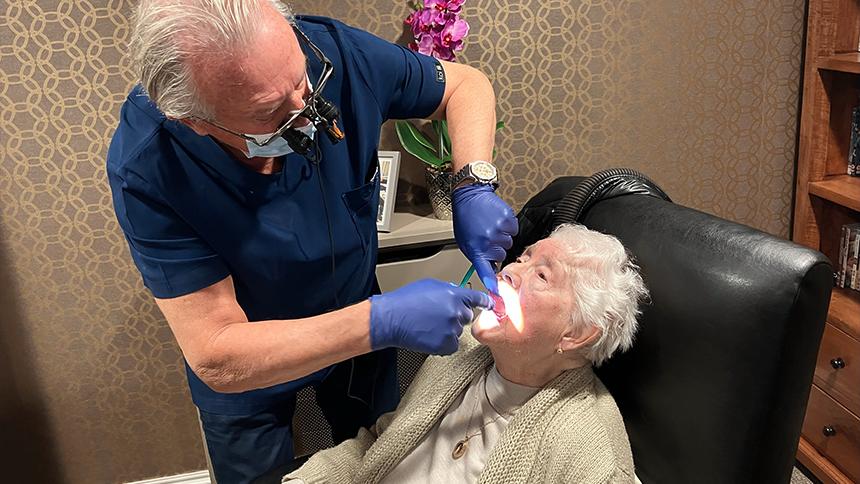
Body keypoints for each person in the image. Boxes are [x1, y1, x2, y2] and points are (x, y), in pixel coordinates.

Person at [105, 1, 518, 482]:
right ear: (193, 120)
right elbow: (216, 354)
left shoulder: (336, 54)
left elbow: (467, 85)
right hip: (252, 358)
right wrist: (379, 322)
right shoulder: (149, 166)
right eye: (270, 112)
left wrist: (472, 184)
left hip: (356, 322)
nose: (308, 114)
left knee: (382, 459)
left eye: (304, 80)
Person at [283, 223, 649, 483]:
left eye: (542, 276)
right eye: (523, 258)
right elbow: (379, 446)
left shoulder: (590, 451)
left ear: (577, 334)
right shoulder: (459, 352)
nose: (510, 271)